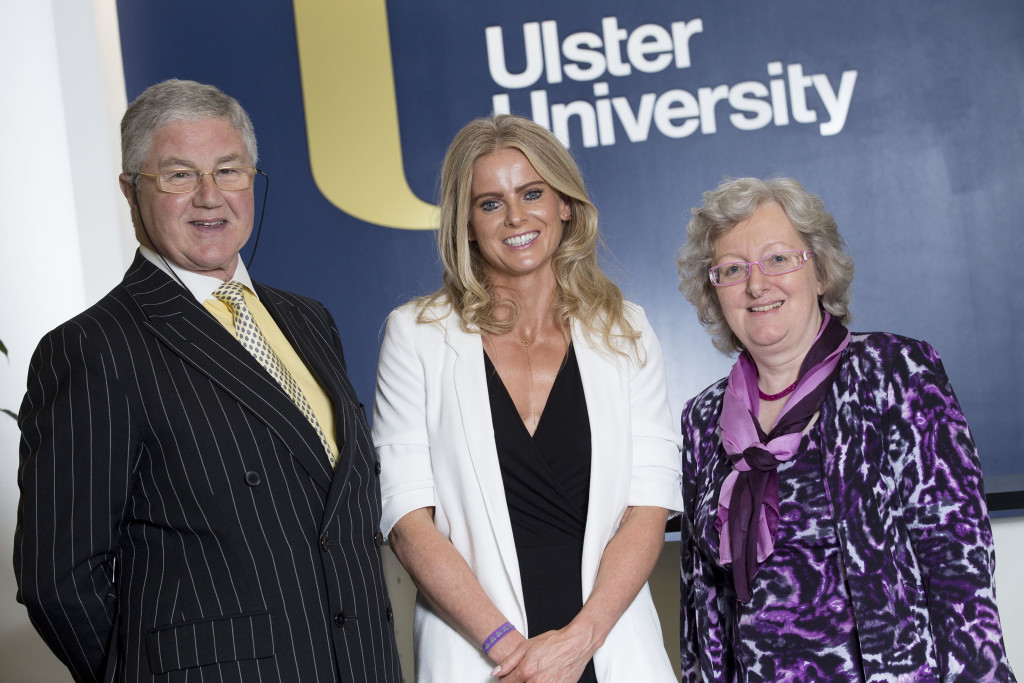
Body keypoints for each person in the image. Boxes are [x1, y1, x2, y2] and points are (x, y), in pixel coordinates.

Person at [14, 79, 402, 683]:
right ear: (130, 190)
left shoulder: (307, 319)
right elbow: (58, 581)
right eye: (177, 175)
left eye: (228, 170)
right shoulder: (94, 347)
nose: (209, 197)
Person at [372, 114, 682, 682]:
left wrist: (577, 644)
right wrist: (512, 652)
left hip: (609, 646)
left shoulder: (627, 330)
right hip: (483, 657)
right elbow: (406, 519)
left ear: (565, 204)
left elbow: (649, 506)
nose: (516, 216)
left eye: (532, 192)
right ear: (465, 223)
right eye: (490, 203)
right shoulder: (415, 335)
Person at [675, 176, 1016, 681]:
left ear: (820, 271)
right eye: (731, 269)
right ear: (713, 291)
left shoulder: (895, 371)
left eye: (778, 259)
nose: (756, 284)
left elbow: (958, 563)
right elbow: (700, 596)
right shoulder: (703, 418)